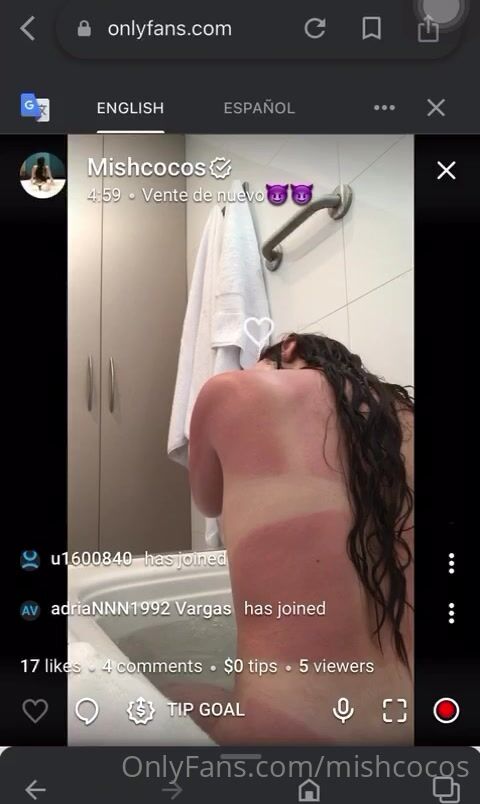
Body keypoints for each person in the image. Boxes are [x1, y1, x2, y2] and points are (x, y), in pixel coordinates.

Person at [180, 333, 414, 744]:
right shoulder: (406, 418)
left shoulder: (230, 390)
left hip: (286, 732)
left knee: (166, 691)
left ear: (287, 348)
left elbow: (207, 500)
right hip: (415, 723)